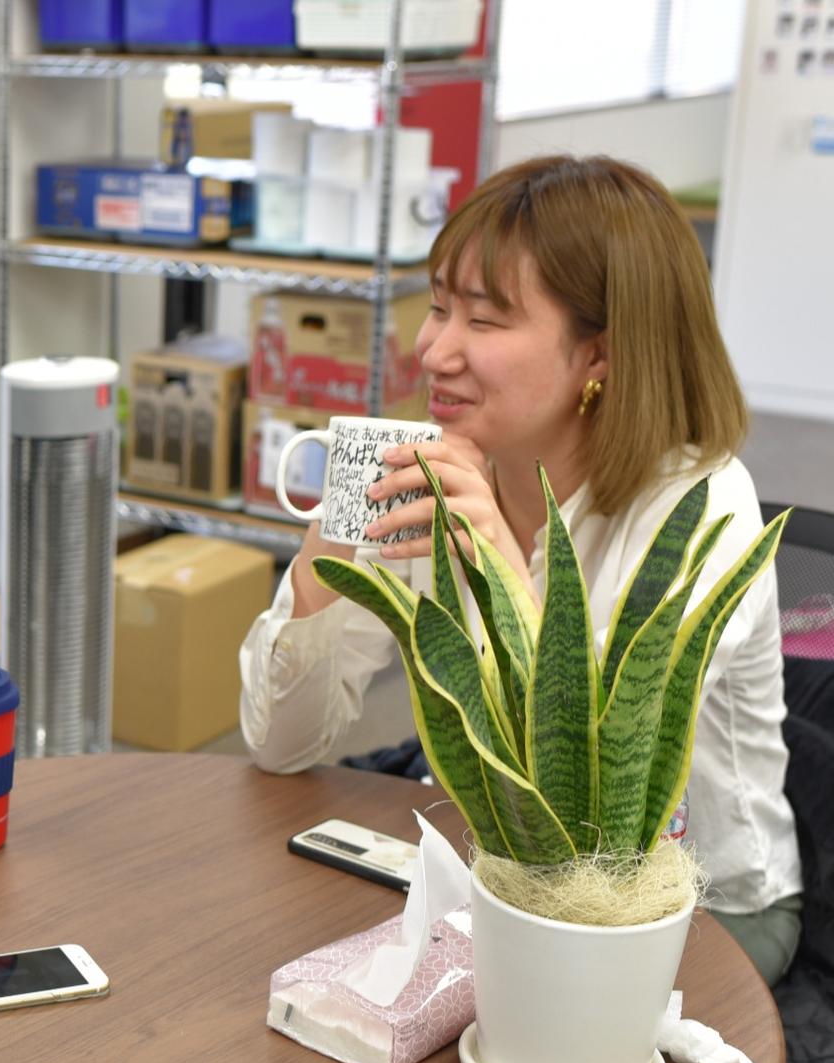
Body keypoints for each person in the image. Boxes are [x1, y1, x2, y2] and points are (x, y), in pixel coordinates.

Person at [238, 154, 803, 985]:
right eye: (438, 308)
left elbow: (592, 811)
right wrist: (333, 540)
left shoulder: (700, 503)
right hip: (495, 879)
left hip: (695, 909)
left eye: (485, 320)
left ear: (599, 354)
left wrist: (502, 561)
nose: (433, 351)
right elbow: (282, 746)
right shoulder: (445, 469)